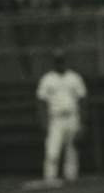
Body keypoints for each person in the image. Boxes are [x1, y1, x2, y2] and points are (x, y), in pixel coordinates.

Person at [36, 48, 88, 183]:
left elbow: (82, 100)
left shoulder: (75, 78)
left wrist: (82, 123)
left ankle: (71, 180)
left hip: (72, 116)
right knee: (52, 151)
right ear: (54, 62)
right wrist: (44, 122)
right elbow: (41, 101)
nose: (60, 63)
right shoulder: (47, 79)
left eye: (61, 60)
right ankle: (50, 179)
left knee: (72, 152)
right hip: (55, 119)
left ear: (65, 61)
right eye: (57, 61)